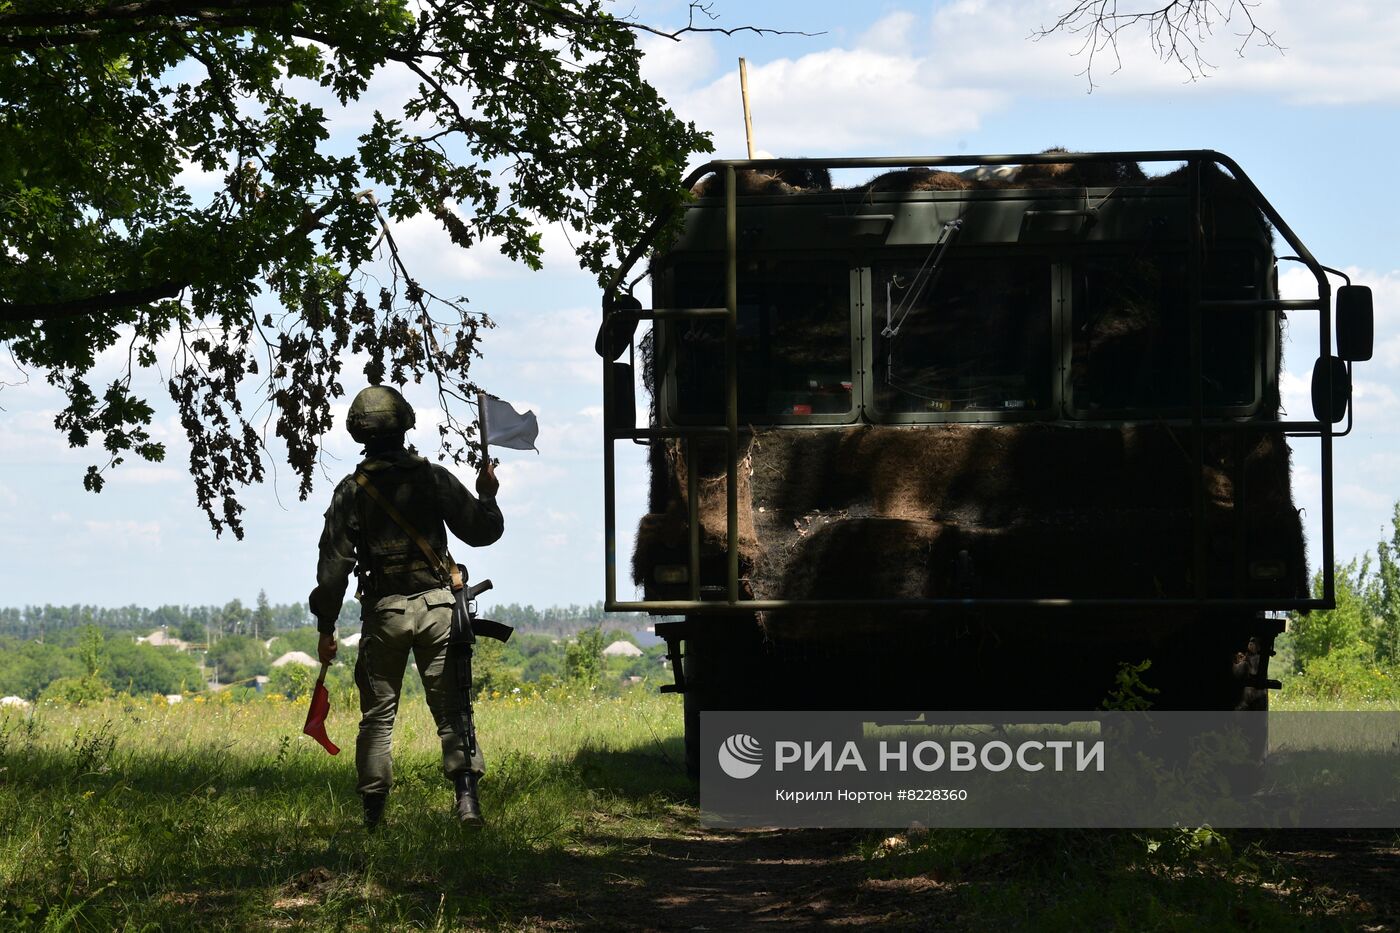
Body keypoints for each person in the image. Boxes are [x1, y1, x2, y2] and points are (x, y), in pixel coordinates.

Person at [309, 385, 503, 829]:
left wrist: (326, 626)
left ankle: (373, 820)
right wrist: (487, 495)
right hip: (438, 609)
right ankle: (467, 804)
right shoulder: (432, 479)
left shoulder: (351, 491)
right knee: (454, 711)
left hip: (386, 613)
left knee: (377, 718)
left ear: (360, 434)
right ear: (405, 427)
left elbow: (333, 568)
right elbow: (481, 531)